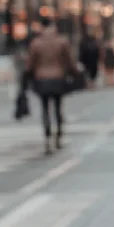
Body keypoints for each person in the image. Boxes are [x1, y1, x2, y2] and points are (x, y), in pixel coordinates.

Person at [25, 15, 77, 154]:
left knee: (45, 109)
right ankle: (58, 136)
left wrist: (28, 76)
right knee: (58, 108)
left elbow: (30, 64)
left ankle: (47, 136)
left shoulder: (36, 43)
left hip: (41, 79)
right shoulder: (61, 41)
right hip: (58, 77)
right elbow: (69, 61)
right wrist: (74, 73)